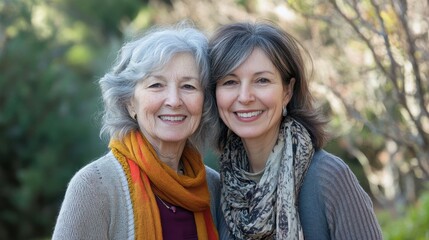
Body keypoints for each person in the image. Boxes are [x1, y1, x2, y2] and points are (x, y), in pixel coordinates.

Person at [207, 21, 383, 240]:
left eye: (262, 80)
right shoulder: (220, 189)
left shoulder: (328, 178)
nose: (245, 96)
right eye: (230, 82)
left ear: (288, 91)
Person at [52, 23, 230, 240]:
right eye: (156, 85)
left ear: (204, 102)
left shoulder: (213, 187)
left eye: (188, 86)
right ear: (129, 103)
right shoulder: (94, 187)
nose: (174, 101)